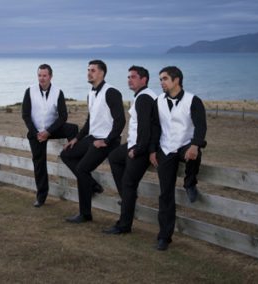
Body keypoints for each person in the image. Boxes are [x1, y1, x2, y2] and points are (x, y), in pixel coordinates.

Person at [60, 59, 125, 224]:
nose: (89, 73)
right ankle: (93, 185)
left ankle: (85, 214)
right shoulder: (90, 93)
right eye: (88, 70)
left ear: (102, 73)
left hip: (107, 141)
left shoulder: (112, 92)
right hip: (92, 138)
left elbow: (120, 120)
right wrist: (76, 138)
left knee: (82, 169)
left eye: (93, 70)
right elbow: (90, 121)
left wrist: (107, 140)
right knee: (66, 154)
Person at [149, 66, 207, 251]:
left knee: (195, 154)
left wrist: (195, 144)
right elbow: (155, 128)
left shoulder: (193, 100)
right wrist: (152, 150)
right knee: (165, 195)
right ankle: (164, 237)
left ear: (176, 80)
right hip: (165, 149)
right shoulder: (157, 101)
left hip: (185, 145)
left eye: (165, 79)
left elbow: (201, 126)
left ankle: (190, 182)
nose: (161, 82)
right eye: (160, 79)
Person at [103, 66, 157, 235]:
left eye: (133, 77)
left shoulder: (144, 99)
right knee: (114, 157)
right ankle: (127, 197)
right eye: (128, 77)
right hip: (133, 144)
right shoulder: (142, 96)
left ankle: (123, 225)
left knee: (129, 183)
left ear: (144, 79)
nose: (129, 80)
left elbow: (146, 127)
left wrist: (138, 149)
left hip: (141, 148)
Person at [22, 64, 78, 208]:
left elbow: (63, 116)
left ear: (50, 76)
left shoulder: (58, 92)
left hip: (53, 129)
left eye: (44, 75)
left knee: (73, 128)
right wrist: (37, 134)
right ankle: (41, 197)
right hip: (36, 133)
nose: (42, 78)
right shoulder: (30, 91)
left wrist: (48, 132)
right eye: (39, 75)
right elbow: (26, 115)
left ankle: (75, 155)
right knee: (39, 164)